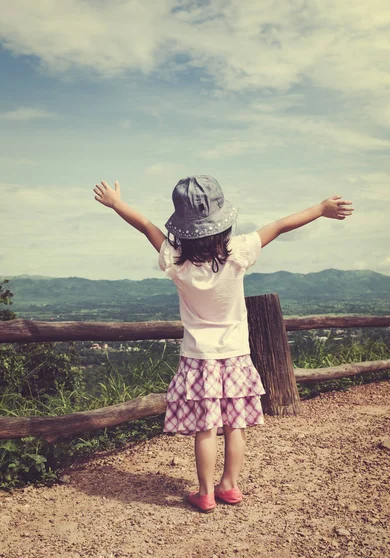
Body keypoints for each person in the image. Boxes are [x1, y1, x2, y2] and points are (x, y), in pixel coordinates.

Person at [93, 175, 354, 513]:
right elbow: (280, 226)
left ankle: (204, 493)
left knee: (205, 429)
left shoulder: (175, 260)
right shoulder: (238, 253)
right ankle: (229, 485)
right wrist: (321, 208)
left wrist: (116, 204)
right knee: (235, 425)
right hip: (235, 357)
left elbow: (146, 226)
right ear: (222, 222)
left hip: (198, 359)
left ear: (183, 228)